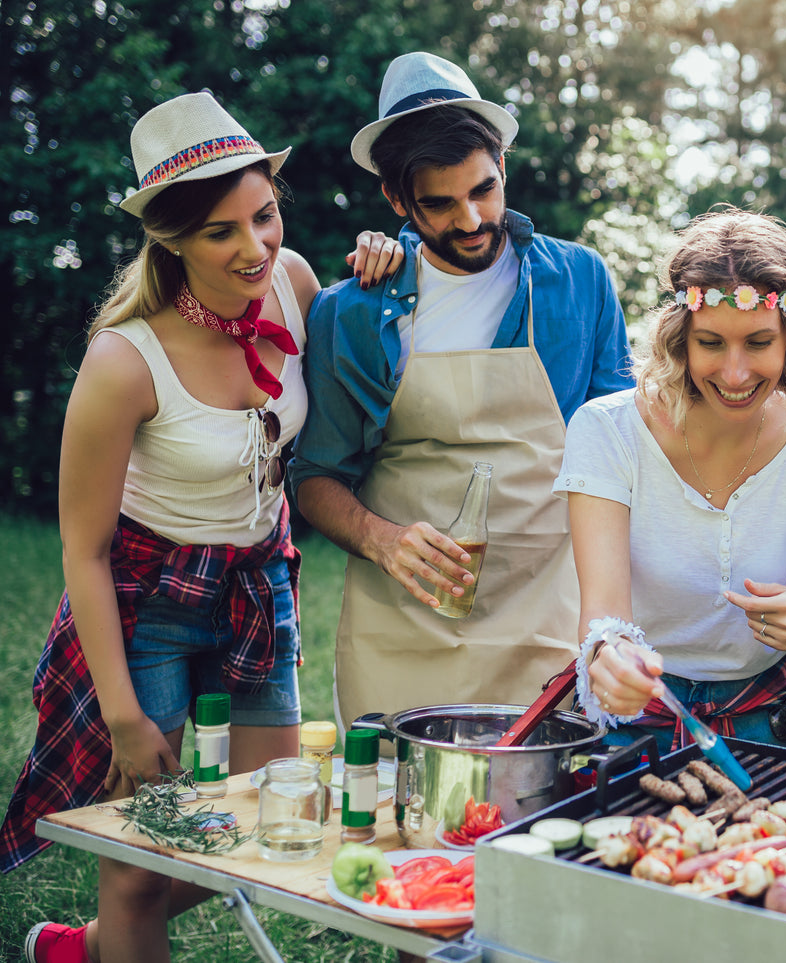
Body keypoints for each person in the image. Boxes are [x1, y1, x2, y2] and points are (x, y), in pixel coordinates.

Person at [2, 92, 321, 963]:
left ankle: (78, 950)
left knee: (261, 822)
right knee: (141, 863)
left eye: (264, 215)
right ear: (170, 238)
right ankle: (102, 937)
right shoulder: (122, 359)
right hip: (151, 601)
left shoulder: (294, 286)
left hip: (258, 586)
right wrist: (123, 712)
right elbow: (84, 548)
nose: (254, 247)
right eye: (222, 232)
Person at [292, 52, 633, 728]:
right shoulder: (351, 311)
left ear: (502, 164)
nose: (472, 219)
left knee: (540, 819)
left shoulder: (580, 282)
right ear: (396, 201)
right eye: (440, 204)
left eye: (483, 189)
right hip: (402, 626)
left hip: (547, 612)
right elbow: (314, 477)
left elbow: (624, 457)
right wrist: (382, 539)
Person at [558, 209, 786, 751]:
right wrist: (611, 657)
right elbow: (604, 616)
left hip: (767, 718)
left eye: (759, 343)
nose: (736, 372)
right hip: (638, 718)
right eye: (712, 343)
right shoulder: (607, 431)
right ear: (680, 341)